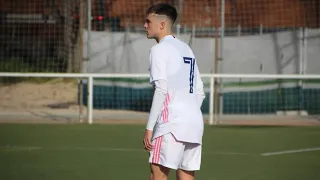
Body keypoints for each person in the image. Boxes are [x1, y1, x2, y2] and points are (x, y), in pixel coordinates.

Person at [143, 3, 206, 180]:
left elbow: (161, 90)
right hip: (194, 124)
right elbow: (200, 91)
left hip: (171, 125)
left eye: (148, 21)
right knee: (186, 176)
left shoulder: (158, 50)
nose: (145, 25)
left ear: (162, 24)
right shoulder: (186, 48)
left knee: (158, 176)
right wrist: (188, 110)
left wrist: (149, 127)